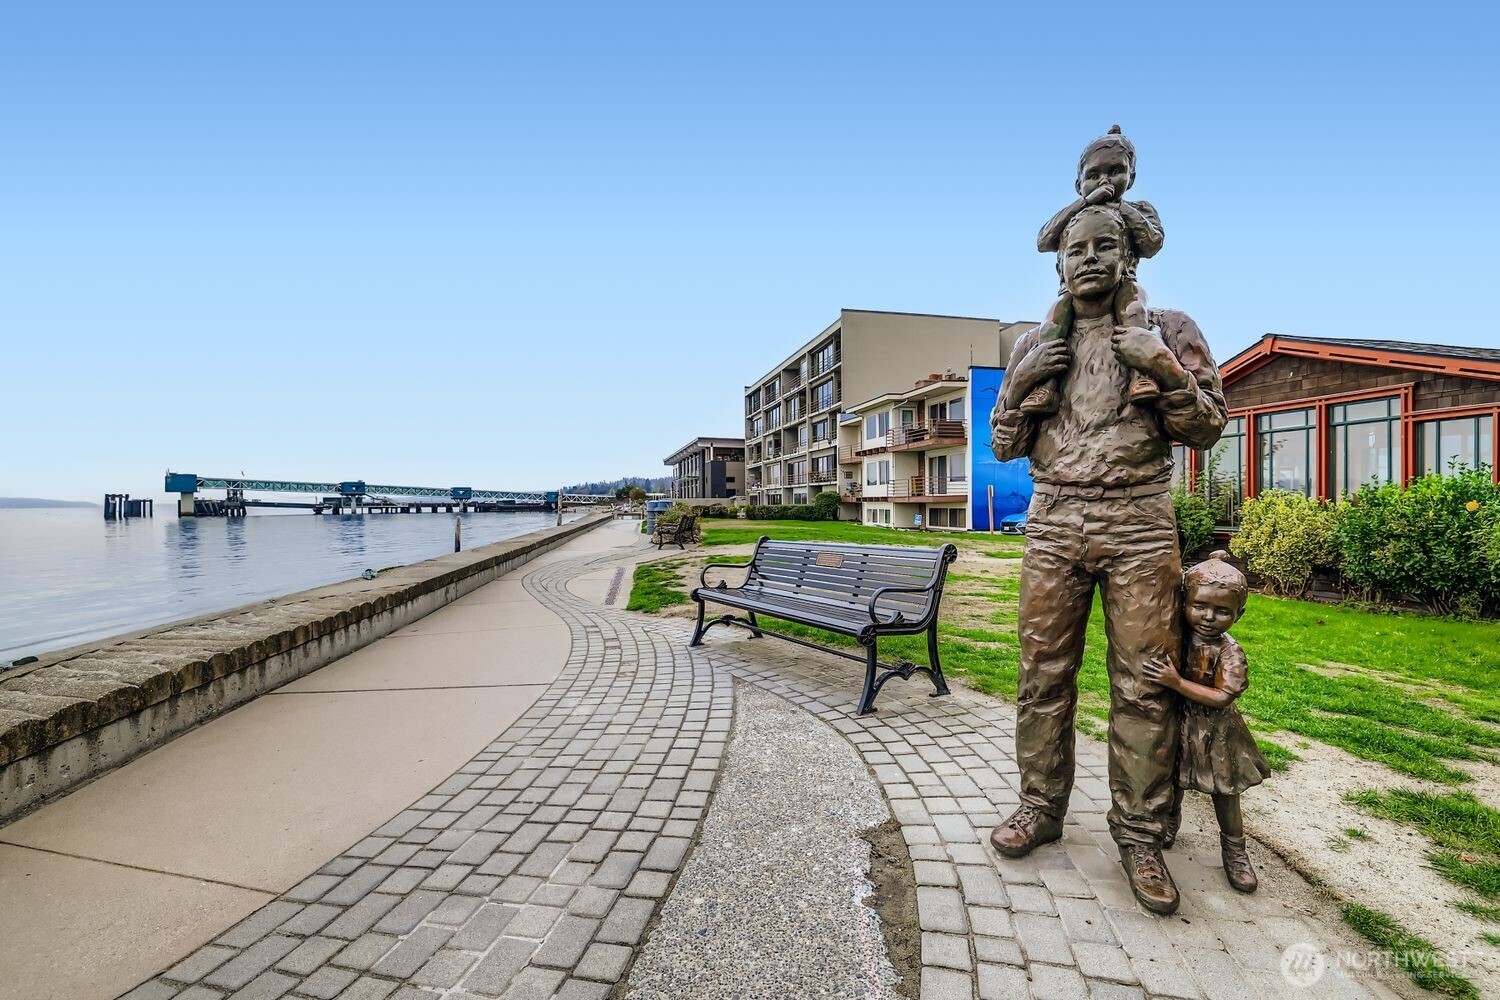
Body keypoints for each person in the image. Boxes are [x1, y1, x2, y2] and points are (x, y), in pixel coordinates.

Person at [988, 203, 1227, 915]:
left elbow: (1206, 427)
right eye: (1074, 248)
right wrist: (1023, 376)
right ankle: (1039, 805)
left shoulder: (1169, 329)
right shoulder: (1037, 339)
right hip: (1055, 517)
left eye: (1103, 246)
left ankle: (1143, 835)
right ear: (1058, 263)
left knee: (1145, 684)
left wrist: (1162, 370)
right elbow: (1004, 444)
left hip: (1140, 521)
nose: (1087, 257)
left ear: (1130, 259)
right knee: (1042, 675)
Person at [1144, 551, 1270, 894]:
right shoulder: (1178, 636)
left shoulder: (1229, 652)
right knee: (1174, 780)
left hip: (1216, 734)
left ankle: (1235, 851)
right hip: (1180, 725)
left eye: (1222, 611)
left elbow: (1223, 696)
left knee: (1225, 794)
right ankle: (1170, 823)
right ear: (1185, 601)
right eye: (1200, 606)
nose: (1209, 618)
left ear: (1238, 614)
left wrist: (1177, 684)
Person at [1023, 125, 1167, 414]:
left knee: (1134, 310)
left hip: (1121, 284)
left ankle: (1142, 374)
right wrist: (1085, 203)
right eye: (1094, 175)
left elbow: (1152, 242)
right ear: (1079, 184)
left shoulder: (1138, 209)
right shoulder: (1075, 212)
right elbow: (1043, 240)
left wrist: (1118, 206)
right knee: (1053, 321)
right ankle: (1046, 386)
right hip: (1075, 294)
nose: (1105, 180)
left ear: (1131, 177)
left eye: (1115, 171)